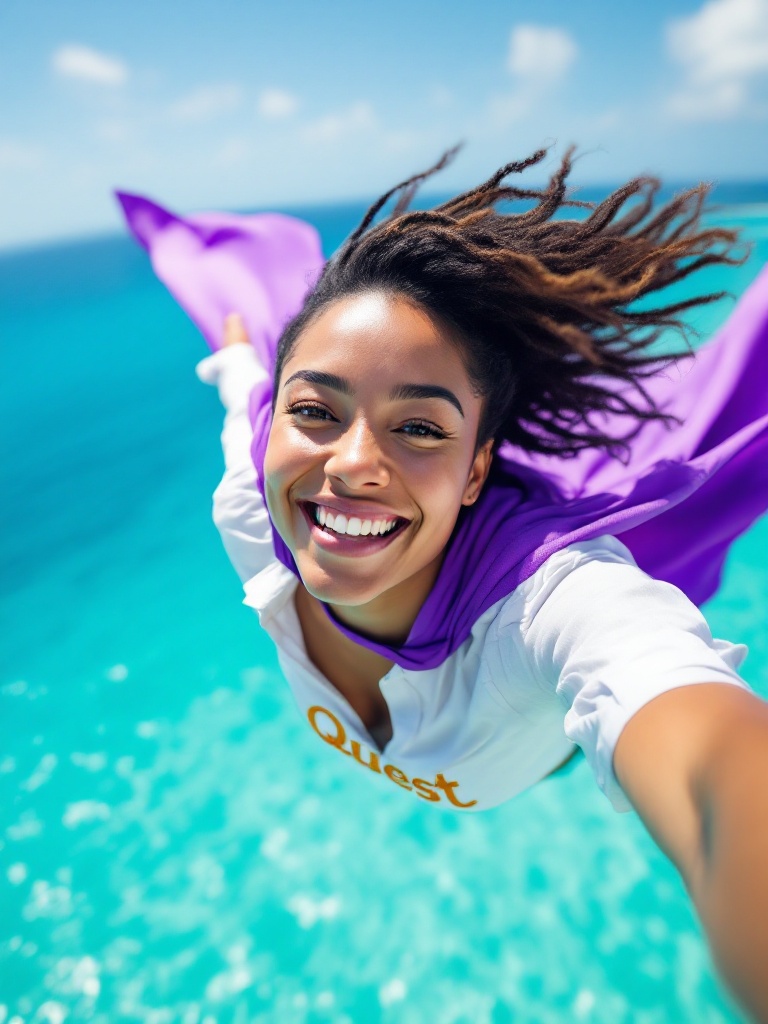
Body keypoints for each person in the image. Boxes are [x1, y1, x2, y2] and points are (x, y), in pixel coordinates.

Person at [119, 147, 768, 1020]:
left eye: (419, 426)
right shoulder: (250, 507)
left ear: (475, 471)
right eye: (315, 410)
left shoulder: (556, 605)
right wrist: (236, 362)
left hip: (550, 735)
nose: (351, 465)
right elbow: (250, 404)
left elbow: (709, 760)